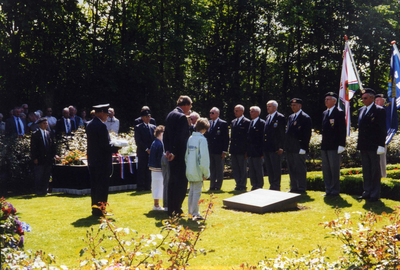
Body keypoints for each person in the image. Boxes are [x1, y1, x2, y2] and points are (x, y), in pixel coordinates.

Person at [86, 104, 120, 216]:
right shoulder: (101, 126)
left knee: (95, 186)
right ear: (100, 113)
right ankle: (101, 210)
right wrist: (117, 147)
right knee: (102, 186)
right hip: (102, 161)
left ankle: (95, 209)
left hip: (93, 160)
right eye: (106, 114)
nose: (107, 116)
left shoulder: (90, 124)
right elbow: (105, 146)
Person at [163, 95, 192, 216]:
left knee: (172, 181)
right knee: (181, 182)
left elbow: (166, 135)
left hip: (171, 154)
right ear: (185, 105)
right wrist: (174, 152)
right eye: (190, 105)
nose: (190, 108)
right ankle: (177, 208)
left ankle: (171, 208)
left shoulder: (170, 114)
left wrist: (168, 150)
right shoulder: (181, 117)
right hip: (179, 155)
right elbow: (181, 137)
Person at [357, 88, 386, 202]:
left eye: (365, 98)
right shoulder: (361, 110)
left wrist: (381, 145)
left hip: (374, 145)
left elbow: (382, 129)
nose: (363, 100)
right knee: (366, 170)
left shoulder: (379, 110)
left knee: (375, 170)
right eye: (362, 98)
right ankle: (367, 191)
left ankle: (375, 193)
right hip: (364, 145)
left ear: (372, 98)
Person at [321, 92, 346, 197]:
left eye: (328, 99)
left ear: (334, 101)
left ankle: (335, 190)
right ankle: (328, 189)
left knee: (334, 168)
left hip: (334, 145)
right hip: (325, 145)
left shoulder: (339, 113)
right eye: (325, 99)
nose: (326, 101)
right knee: (326, 169)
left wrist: (341, 144)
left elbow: (342, 130)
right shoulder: (325, 113)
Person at [185, 118, 210, 220]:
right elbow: (203, 157)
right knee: (196, 192)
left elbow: (186, 156)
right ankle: (195, 213)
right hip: (198, 170)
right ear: (204, 129)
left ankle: (191, 212)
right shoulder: (202, 139)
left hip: (190, 169)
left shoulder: (190, 138)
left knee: (191, 192)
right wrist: (206, 172)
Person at [285, 98, 312, 194]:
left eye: (294, 105)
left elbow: (307, 134)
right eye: (291, 105)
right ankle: (294, 187)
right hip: (290, 147)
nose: (292, 107)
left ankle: (301, 187)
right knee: (291, 168)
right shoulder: (291, 117)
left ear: (300, 106)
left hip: (299, 147)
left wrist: (304, 147)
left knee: (300, 168)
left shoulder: (305, 117)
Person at [30, 118, 57, 195]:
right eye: (44, 123)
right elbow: (33, 147)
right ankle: (38, 191)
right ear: (40, 124)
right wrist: (34, 158)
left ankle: (45, 190)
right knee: (39, 175)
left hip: (48, 159)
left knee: (46, 175)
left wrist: (54, 154)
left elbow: (52, 146)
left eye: (46, 123)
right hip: (39, 158)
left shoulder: (49, 133)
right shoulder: (35, 134)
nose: (46, 125)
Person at [263, 100, 286, 191]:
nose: (267, 108)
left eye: (269, 106)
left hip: (275, 148)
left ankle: (276, 185)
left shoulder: (280, 117)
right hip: (267, 147)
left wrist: (281, 146)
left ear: (275, 107)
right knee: (269, 167)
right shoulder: (267, 117)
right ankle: (271, 184)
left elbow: (281, 134)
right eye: (267, 106)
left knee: (275, 167)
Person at [204, 107, 229, 191]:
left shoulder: (223, 123)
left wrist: (224, 151)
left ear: (218, 114)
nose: (210, 114)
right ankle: (212, 185)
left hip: (219, 150)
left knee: (219, 169)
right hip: (210, 150)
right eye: (210, 113)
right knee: (212, 169)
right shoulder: (209, 123)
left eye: (212, 113)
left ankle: (218, 186)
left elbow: (225, 138)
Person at [229, 104, 250, 191]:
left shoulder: (247, 122)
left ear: (242, 111)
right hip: (234, 149)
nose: (235, 112)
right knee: (236, 168)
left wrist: (247, 151)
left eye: (237, 110)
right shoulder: (233, 122)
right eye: (234, 110)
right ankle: (238, 184)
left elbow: (248, 137)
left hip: (242, 150)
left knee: (242, 168)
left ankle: (243, 185)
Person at [135, 109, 156, 191]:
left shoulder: (153, 127)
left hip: (151, 152)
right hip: (142, 152)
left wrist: (153, 149)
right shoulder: (138, 127)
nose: (148, 118)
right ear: (143, 118)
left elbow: (154, 139)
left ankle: (148, 186)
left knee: (149, 169)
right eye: (147, 117)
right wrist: (146, 149)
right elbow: (138, 140)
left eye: (149, 116)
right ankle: (140, 186)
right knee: (142, 169)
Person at [247, 106, 266, 190]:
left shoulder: (262, 123)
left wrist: (262, 152)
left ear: (258, 113)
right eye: (250, 111)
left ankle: (259, 185)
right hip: (251, 151)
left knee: (258, 169)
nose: (251, 113)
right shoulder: (250, 123)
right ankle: (254, 184)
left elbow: (262, 138)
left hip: (258, 151)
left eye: (253, 111)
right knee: (251, 169)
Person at [148, 125, 165, 211]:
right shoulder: (159, 144)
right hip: (158, 168)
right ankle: (156, 205)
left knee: (156, 186)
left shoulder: (154, 142)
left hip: (153, 167)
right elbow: (160, 158)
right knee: (158, 186)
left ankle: (156, 204)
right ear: (160, 133)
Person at [374, 94, 388, 178]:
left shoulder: (386, 111)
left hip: (383, 138)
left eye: (378, 100)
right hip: (373, 139)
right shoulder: (373, 110)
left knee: (382, 158)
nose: (376, 102)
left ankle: (383, 176)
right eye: (375, 100)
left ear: (383, 101)